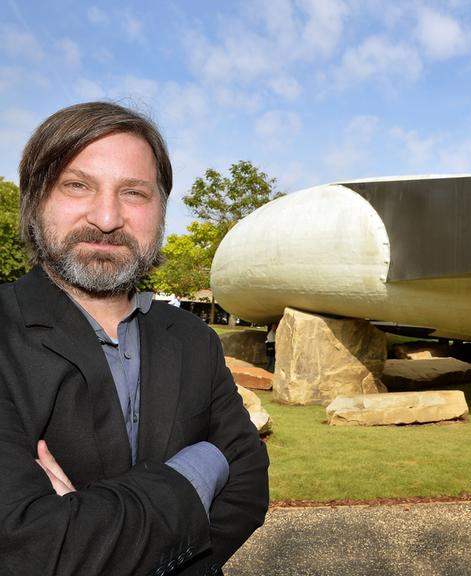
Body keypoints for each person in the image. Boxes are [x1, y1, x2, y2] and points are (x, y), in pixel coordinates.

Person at [0, 102, 269, 576]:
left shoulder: (193, 338)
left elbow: (247, 488)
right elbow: (34, 546)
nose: (107, 217)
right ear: (35, 200)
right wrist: (201, 466)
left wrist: (92, 530)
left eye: (134, 193)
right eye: (77, 185)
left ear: (161, 211)